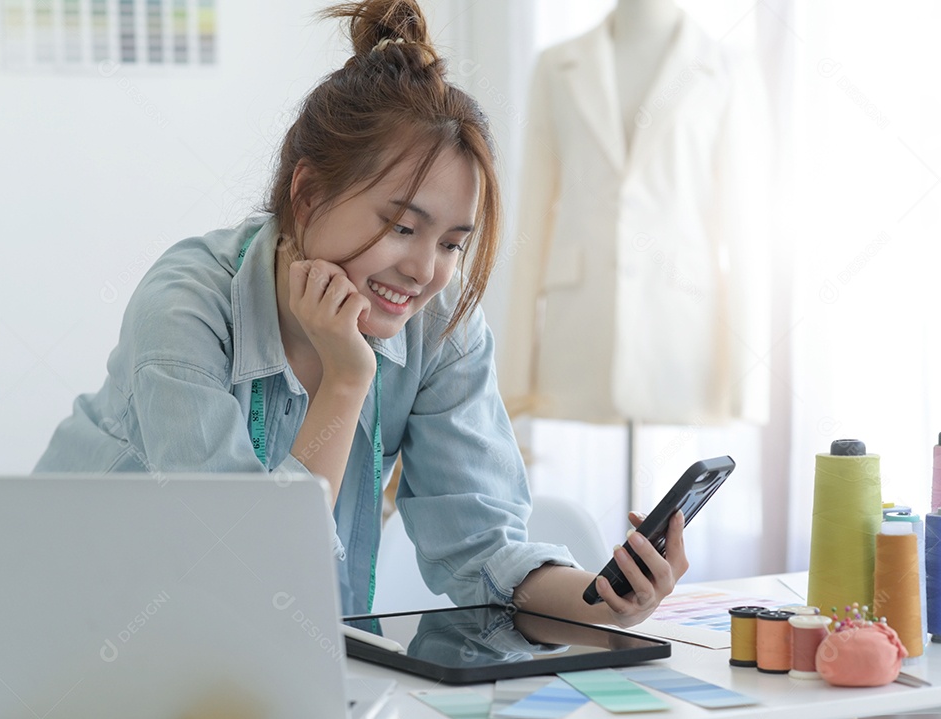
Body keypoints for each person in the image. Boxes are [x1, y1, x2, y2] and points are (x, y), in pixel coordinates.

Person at [34, 0, 688, 630]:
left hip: (246, 658)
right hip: (79, 629)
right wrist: (347, 382)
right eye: (404, 226)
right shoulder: (186, 308)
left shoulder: (440, 324)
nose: (426, 270)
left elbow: (482, 549)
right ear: (309, 193)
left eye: (453, 243)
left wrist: (607, 599)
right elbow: (245, 570)